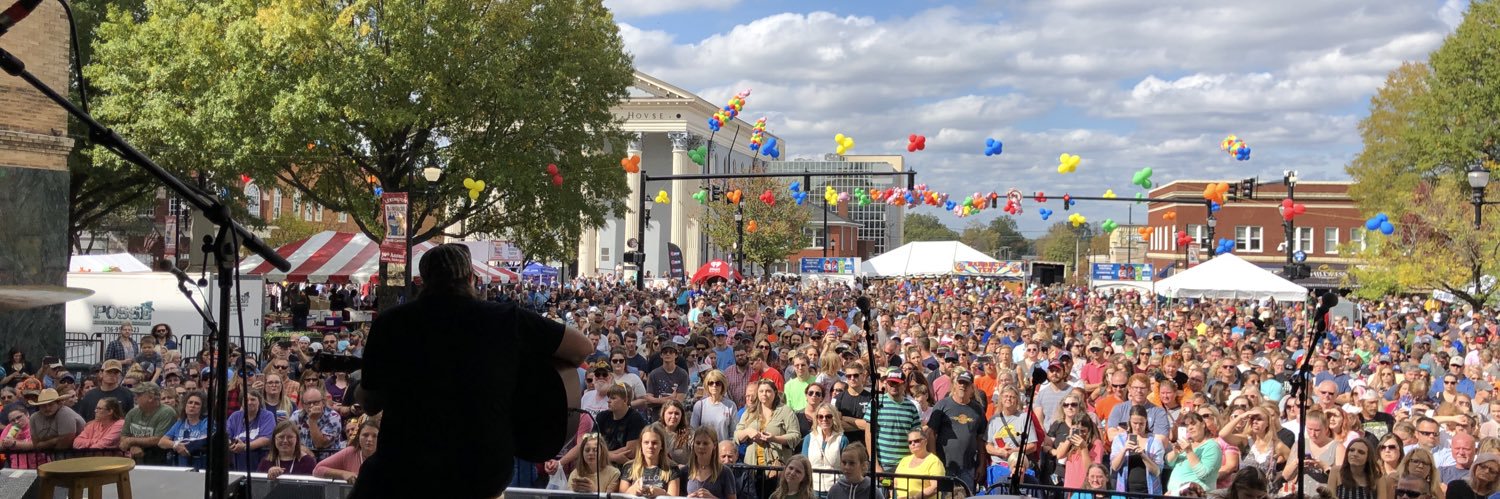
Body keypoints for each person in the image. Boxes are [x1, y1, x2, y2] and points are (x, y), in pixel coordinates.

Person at [354, 244, 592, 499]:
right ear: (471, 278)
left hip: (405, 469)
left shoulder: (391, 323)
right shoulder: (503, 318)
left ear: (422, 281)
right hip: (482, 472)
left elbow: (369, 403)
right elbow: (582, 348)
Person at [737, 378, 801, 468]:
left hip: (776, 465)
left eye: (768, 391)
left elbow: (795, 436)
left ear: (775, 392)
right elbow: (737, 435)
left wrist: (774, 438)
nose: (764, 394)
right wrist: (747, 432)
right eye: (761, 391)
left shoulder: (785, 411)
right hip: (752, 464)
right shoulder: (750, 411)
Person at [1110, 404, 1164, 495]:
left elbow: (1157, 471)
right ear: (1129, 421)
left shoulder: (1155, 442)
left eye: (1141, 423)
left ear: (1146, 422)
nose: (1138, 427)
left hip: (1149, 492)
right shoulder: (1119, 440)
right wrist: (1124, 450)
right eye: (1135, 423)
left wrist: (1143, 455)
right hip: (1125, 492)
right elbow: (1114, 467)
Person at [619, 424, 681, 498]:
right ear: (641, 445)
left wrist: (662, 493)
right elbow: (621, 496)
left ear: (662, 445)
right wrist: (631, 490)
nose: (650, 446)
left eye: (654, 443)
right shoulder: (629, 466)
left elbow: (674, 497)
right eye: (646, 442)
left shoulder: (672, 468)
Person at [120, 383, 176, 464]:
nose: (135, 398)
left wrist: (131, 441)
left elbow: (158, 439)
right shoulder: (132, 412)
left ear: (150, 397)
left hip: (159, 461)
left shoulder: (167, 412)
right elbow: (124, 436)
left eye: (139, 395)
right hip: (135, 461)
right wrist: (133, 446)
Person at [313, 418, 378, 483]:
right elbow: (317, 470)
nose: (369, 439)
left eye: (375, 436)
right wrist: (343, 474)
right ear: (358, 437)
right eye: (365, 435)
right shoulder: (350, 452)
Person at [804, 402, 848, 497]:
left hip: (836, 489)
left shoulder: (842, 439)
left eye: (828, 416)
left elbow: (846, 466)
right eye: (820, 416)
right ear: (817, 419)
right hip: (813, 490)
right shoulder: (809, 438)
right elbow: (804, 464)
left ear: (834, 418)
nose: (824, 419)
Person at [226, 389, 276, 471]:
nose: (249, 402)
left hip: (260, 461)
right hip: (238, 463)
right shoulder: (235, 416)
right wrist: (230, 445)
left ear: (259, 401)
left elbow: (266, 438)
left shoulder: (268, 416)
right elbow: (226, 435)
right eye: (246, 400)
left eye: (253, 399)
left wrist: (245, 447)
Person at [159, 391, 210, 468]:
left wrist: (181, 445)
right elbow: (162, 442)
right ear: (185, 405)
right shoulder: (180, 423)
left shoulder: (206, 422)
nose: (192, 405)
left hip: (200, 466)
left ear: (202, 408)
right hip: (179, 466)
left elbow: (202, 442)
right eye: (190, 402)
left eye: (197, 404)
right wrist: (175, 445)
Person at [685, 427, 735, 499]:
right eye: (698, 443)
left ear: (714, 445)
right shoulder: (685, 471)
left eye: (705, 443)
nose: (701, 447)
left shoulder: (725, 472)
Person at [894, 429, 946, 499]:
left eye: (916, 441)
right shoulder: (904, 460)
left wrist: (915, 498)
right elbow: (895, 483)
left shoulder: (934, 461)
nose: (913, 444)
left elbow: (935, 487)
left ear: (925, 441)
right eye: (910, 442)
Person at [693, 369, 738, 445]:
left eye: (718, 383)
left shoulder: (730, 406)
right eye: (711, 383)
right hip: (704, 449)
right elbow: (693, 430)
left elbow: (734, 433)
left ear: (723, 385)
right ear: (707, 385)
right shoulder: (699, 405)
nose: (714, 386)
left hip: (722, 450)